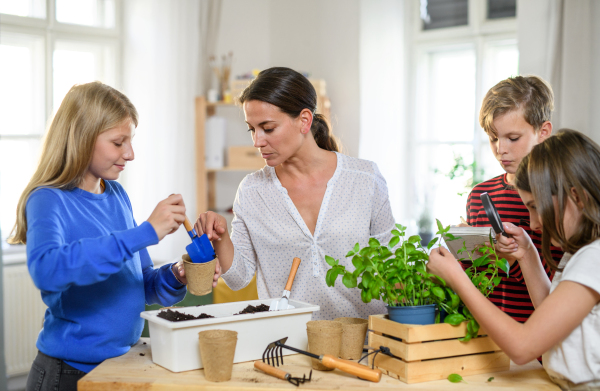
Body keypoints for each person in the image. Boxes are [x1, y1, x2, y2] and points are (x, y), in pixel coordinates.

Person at [9, 82, 189, 391]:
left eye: (129, 141)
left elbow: (141, 284)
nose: (129, 154)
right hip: (68, 375)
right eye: (118, 142)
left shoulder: (116, 194)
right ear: (82, 139)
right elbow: (48, 271)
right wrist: (144, 232)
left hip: (123, 365)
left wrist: (175, 276)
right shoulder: (48, 199)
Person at [195, 67, 395, 320]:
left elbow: (391, 264)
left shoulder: (365, 179)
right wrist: (220, 235)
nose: (257, 141)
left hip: (364, 341)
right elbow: (238, 279)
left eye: (267, 128)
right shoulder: (253, 191)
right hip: (288, 345)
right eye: (252, 129)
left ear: (304, 120)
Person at [429, 129, 600, 389]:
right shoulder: (580, 251)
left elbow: (522, 348)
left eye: (535, 207)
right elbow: (550, 317)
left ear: (576, 197)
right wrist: (527, 253)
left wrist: (457, 278)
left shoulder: (593, 258)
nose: (534, 223)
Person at [465, 75, 563, 323]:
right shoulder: (479, 196)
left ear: (543, 132)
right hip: (488, 337)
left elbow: (563, 291)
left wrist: (513, 259)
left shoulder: (560, 200)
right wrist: (466, 251)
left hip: (538, 342)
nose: (500, 149)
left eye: (513, 138)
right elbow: (475, 280)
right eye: (493, 138)